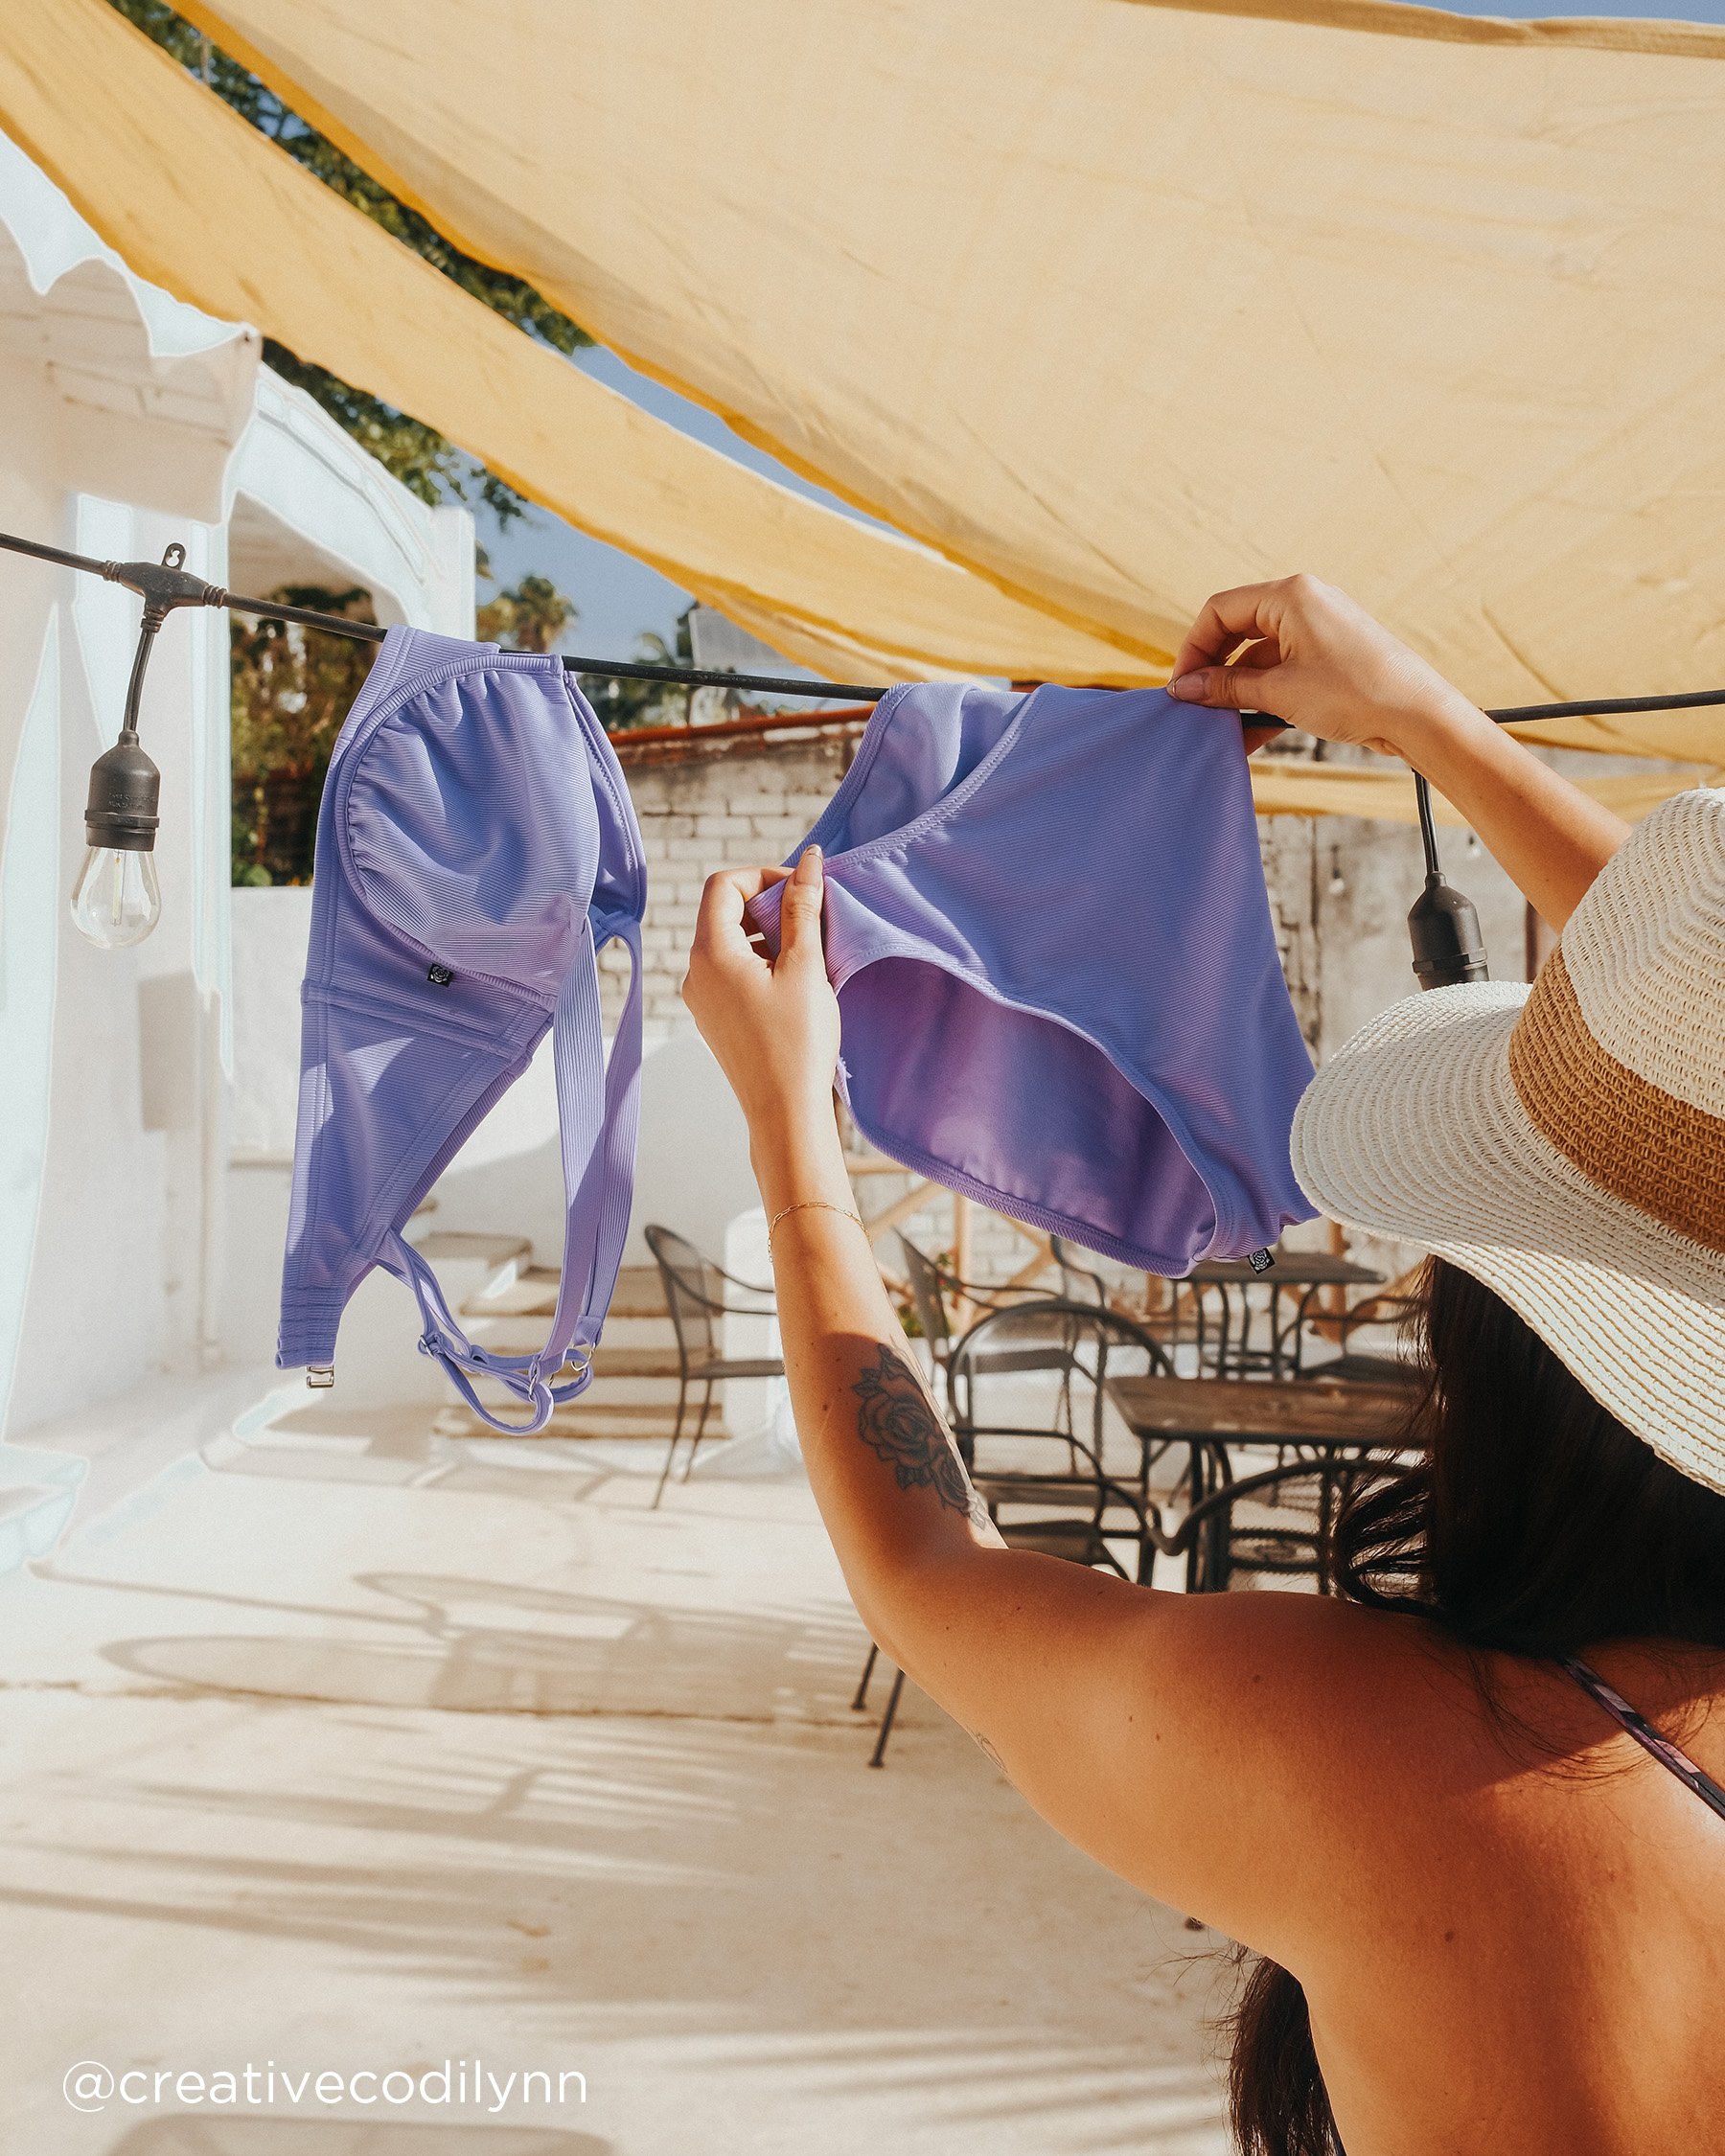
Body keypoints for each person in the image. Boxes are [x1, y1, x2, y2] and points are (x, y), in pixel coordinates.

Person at [680, 575, 1725, 2156]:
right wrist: (1430, 724)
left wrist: (787, 1127)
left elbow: (926, 1571)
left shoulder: (1404, 1767)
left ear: (1495, 1331)